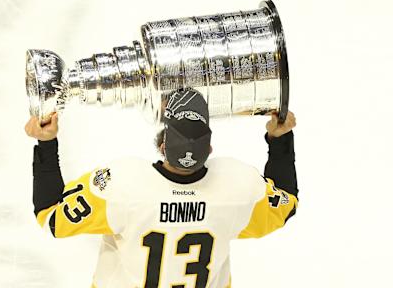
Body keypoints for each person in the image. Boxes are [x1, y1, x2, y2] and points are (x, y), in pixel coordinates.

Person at [24, 88, 298, 288]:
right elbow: (285, 203)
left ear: (162, 145)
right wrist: (280, 139)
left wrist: (47, 143)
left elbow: (51, 216)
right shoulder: (238, 186)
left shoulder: (122, 183)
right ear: (210, 148)